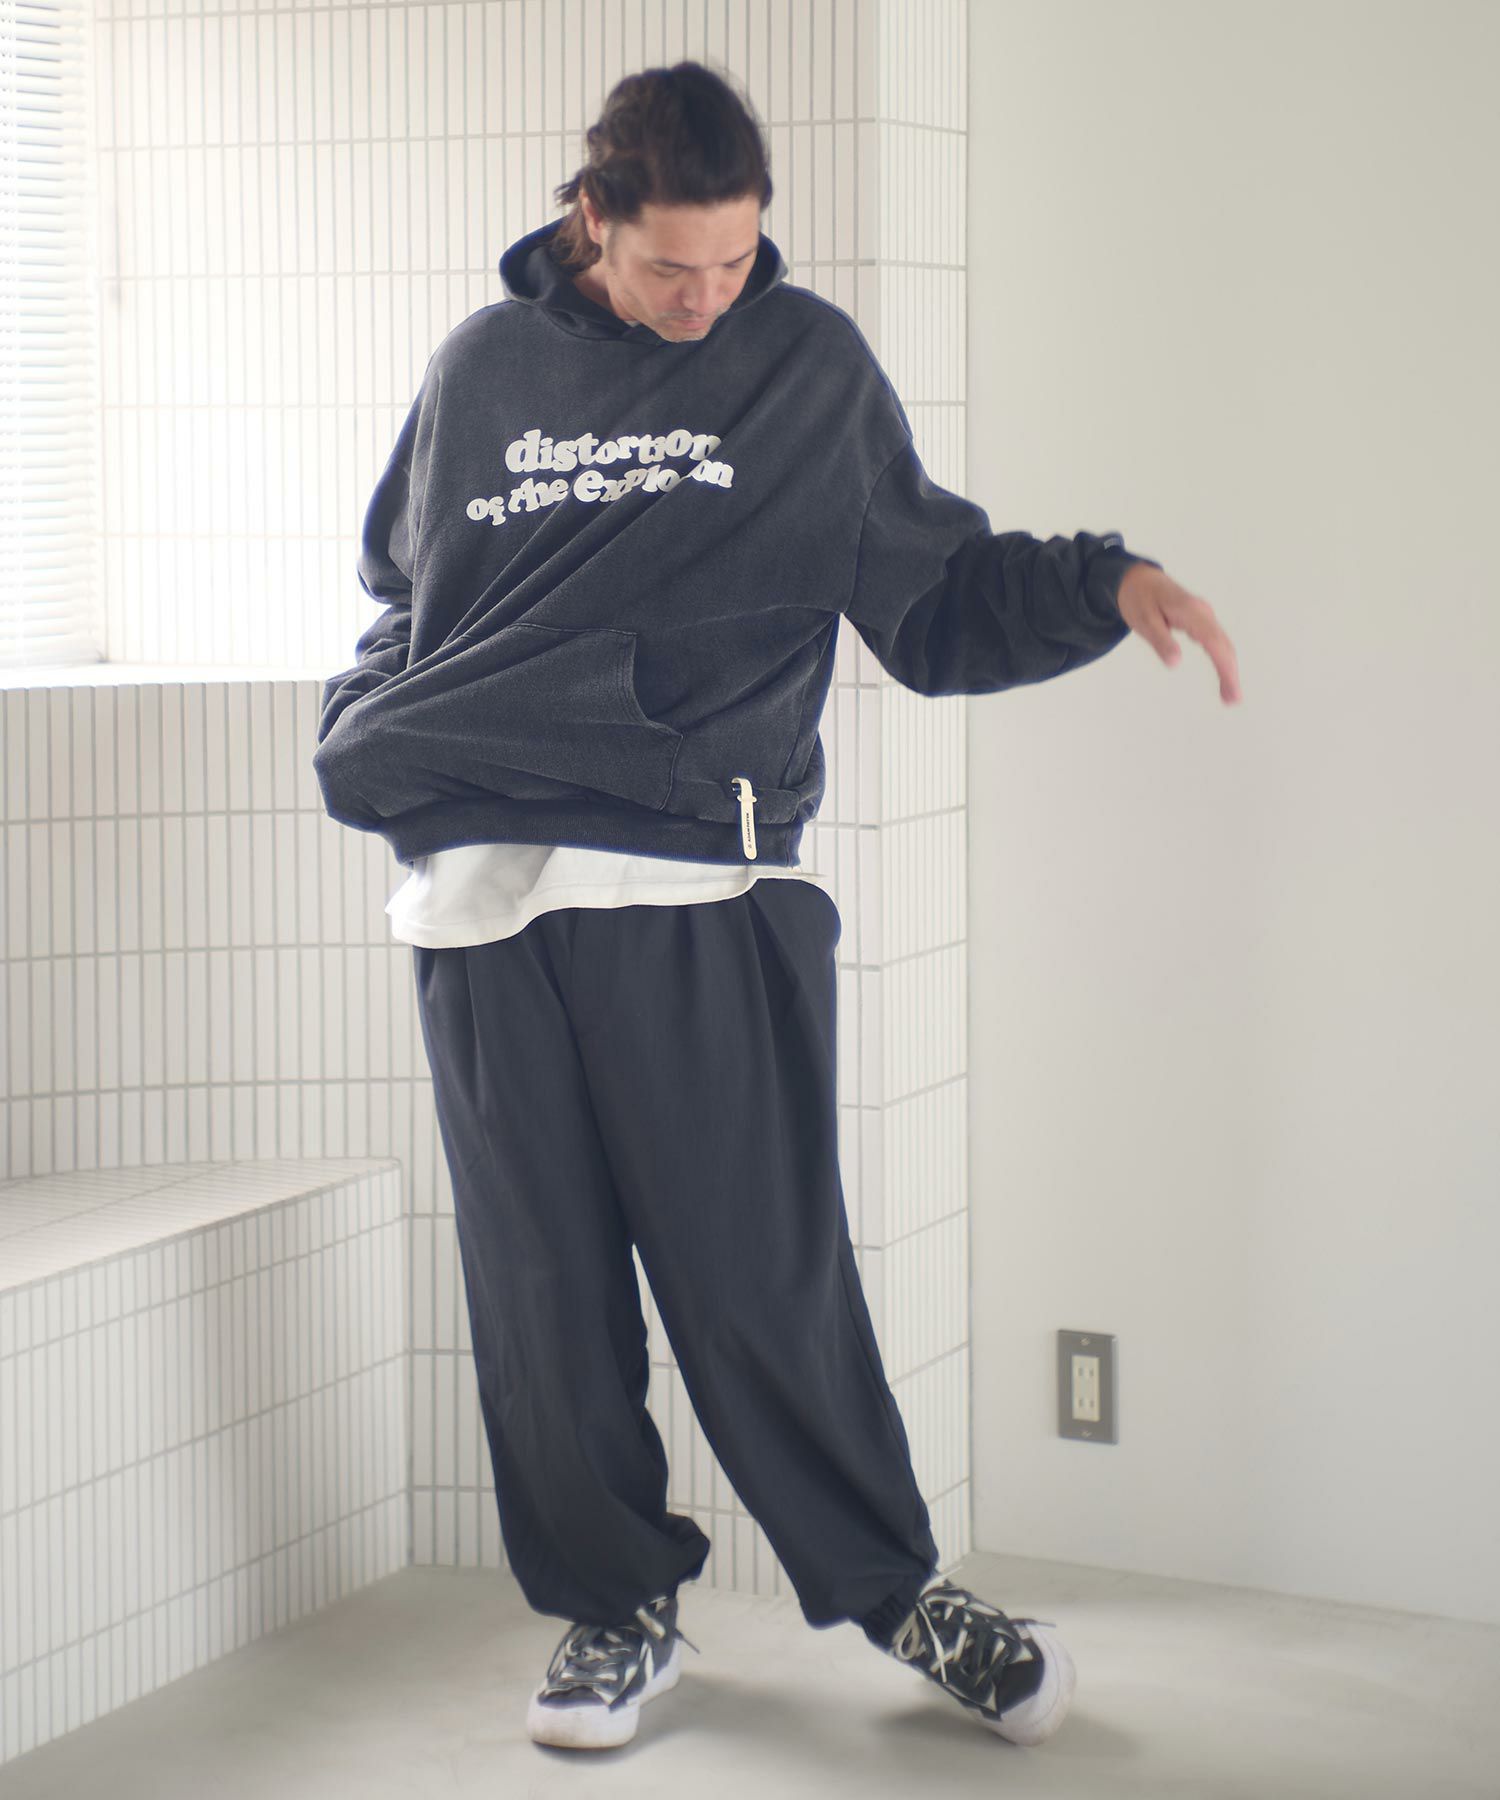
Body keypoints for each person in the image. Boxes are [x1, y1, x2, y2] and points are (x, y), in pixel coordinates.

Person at [311, 59, 1242, 1758]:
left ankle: (901, 1592)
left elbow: (936, 598)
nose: (707, 297)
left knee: (761, 1277)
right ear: (591, 219)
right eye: (674, 266)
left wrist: (1102, 580)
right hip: (474, 901)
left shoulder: (801, 369)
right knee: (540, 1295)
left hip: (696, 880)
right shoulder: (483, 367)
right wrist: (366, 722)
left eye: (736, 260)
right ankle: (614, 1612)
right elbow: (404, 593)